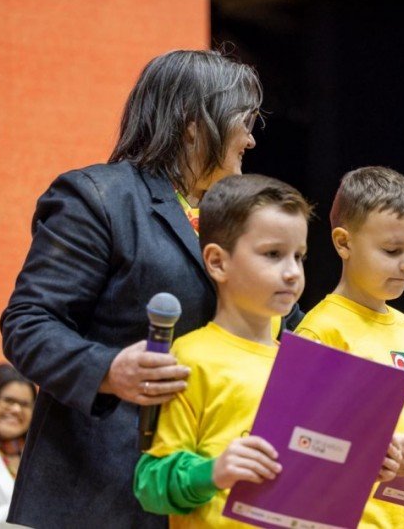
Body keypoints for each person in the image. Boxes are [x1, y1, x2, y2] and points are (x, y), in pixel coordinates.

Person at [0, 49, 302, 528]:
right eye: (242, 121)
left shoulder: (237, 221)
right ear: (192, 123)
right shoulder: (98, 198)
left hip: (204, 500)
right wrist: (108, 369)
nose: (250, 138)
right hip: (98, 495)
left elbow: (296, 335)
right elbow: (28, 324)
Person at [134, 174, 316, 527]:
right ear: (218, 262)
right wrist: (214, 471)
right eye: (273, 254)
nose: (293, 272)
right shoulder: (190, 358)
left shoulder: (305, 365)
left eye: (299, 256)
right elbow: (150, 484)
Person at [295, 166, 404, 529]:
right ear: (343, 243)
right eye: (392, 250)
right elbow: (300, 445)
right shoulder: (320, 329)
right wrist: (372, 452)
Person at [0, 364, 35, 528]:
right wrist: (25, 505)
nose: (16, 409)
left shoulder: (37, 456)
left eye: (25, 404)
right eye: (8, 400)